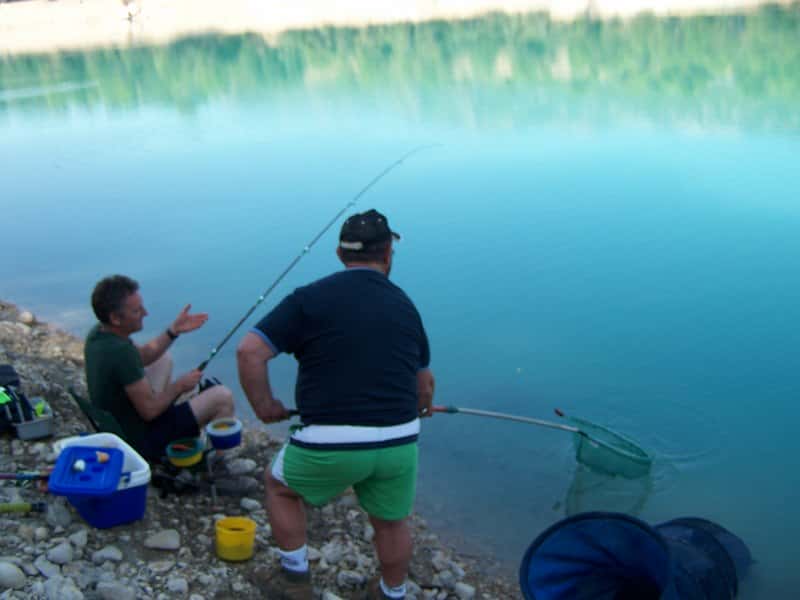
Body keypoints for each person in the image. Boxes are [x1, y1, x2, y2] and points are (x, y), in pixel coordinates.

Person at [237, 209, 435, 600]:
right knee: (392, 522)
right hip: (399, 441)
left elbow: (249, 352)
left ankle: (295, 581)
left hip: (331, 441)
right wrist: (419, 408)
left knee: (280, 487)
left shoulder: (308, 299)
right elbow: (424, 386)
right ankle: (392, 592)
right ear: (388, 253)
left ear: (340, 254)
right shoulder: (406, 306)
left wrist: (264, 405)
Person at [84, 274, 234, 462]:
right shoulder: (121, 353)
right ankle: (219, 463)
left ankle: (176, 412)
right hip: (140, 441)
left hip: (121, 427)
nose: (145, 313)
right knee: (222, 397)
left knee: (162, 359)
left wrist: (173, 331)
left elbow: (145, 356)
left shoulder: (99, 334)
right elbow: (149, 411)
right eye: (137, 311)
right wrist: (180, 386)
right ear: (115, 318)